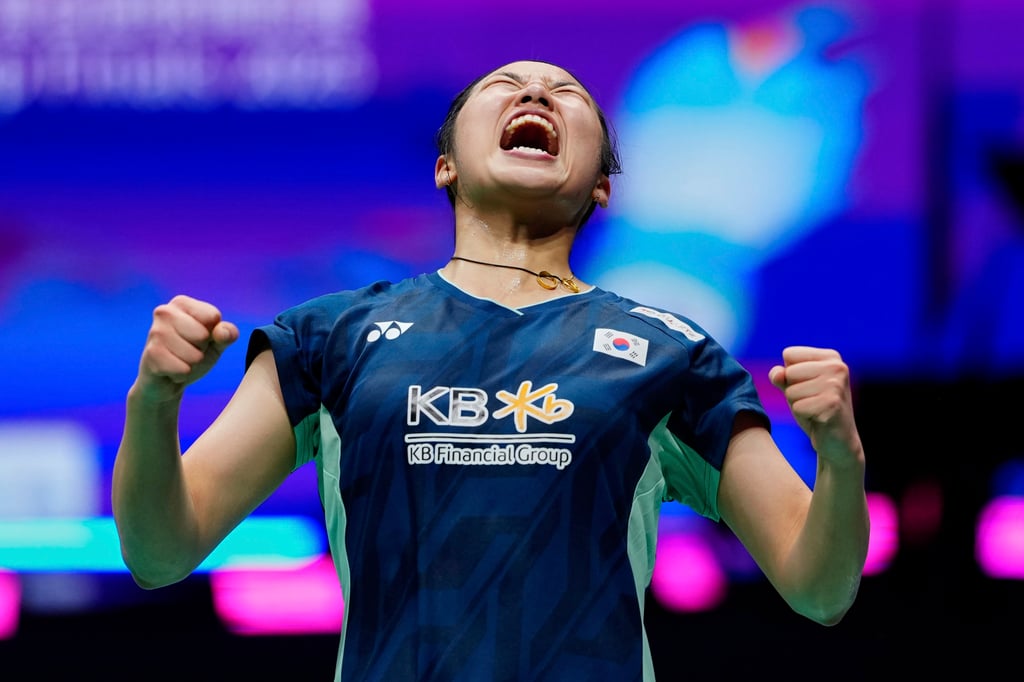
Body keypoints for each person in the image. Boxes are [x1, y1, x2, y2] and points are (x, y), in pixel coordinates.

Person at [112, 59, 870, 681]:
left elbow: (820, 588)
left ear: (602, 186)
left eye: (568, 92)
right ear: (445, 165)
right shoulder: (328, 338)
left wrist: (840, 457)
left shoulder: (676, 355)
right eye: (505, 87)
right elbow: (159, 551)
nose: (538, 91)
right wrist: (155, 400)